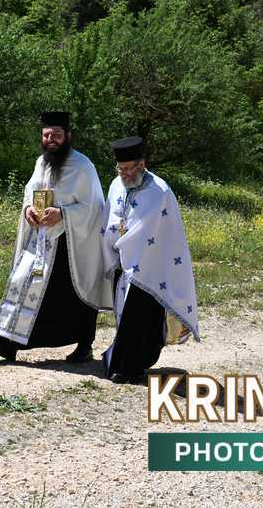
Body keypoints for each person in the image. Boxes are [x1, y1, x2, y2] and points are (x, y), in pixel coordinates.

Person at [0, 111, 112, 363]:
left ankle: (84, 346)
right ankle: (7, 343)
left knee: (75, 295)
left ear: (68, 136)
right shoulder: (41, 163)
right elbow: (29, 194)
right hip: (41, 240)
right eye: (46, 135)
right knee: (22, 284)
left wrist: (63, 213)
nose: (51, 140)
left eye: (56, 135)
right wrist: (28, 210)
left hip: (70, 245)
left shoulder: (83, 166)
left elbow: (94, 207)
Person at [100, 136, 200, 384]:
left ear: (142, 165)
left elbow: (148, 230)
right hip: (122, 260)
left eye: (129, 168)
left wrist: (124, 244)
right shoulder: (116, 184)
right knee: (125, 315)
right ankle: (124, 362)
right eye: (120, 169)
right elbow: (110, 218)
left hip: (149, 265)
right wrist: (112, 245)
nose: (124, 174)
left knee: (140, 317)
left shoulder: (159, 191)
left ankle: (130, 368)